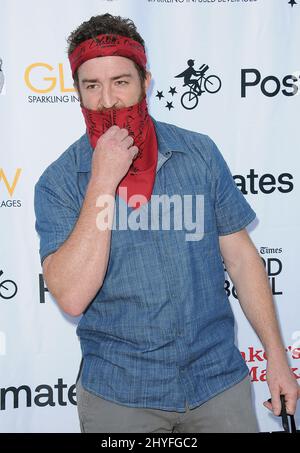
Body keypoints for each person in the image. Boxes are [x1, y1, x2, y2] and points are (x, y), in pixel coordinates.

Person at [34, 13, 299, 433]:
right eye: (92, 86)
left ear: (146, 81)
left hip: (218, 387)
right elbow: (71, 298)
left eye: (120, 81)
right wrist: (102, 179)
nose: (107, 101)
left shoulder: (199, 153)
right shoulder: (59, 182)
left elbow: (244, 260)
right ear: (77, 93)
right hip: (122, 399)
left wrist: (275, 354)